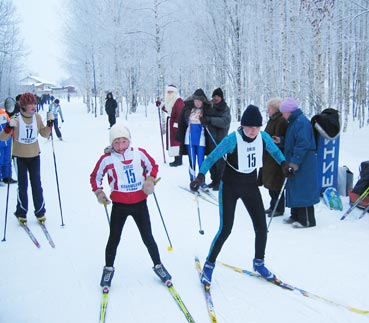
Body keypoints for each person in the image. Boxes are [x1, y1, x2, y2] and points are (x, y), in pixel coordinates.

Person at [190, 105, 292, 286]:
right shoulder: (233, 140)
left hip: (250, 186)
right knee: (226, 228)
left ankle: (259, 262)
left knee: (261, 226)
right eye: (249, 127)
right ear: (243, 126)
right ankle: (209, 264)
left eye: (256, 127)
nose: (253, 131)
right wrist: (200, 175)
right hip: (230, 187)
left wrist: (284, 164)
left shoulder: (263, 137)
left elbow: (275, 151)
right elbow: (212, 157)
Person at [90, 123, 171, 288]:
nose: (120, 146)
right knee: (114, 238)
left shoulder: (138, 154)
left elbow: (153, 166)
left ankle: (158, 265)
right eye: (116, 142)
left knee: (147, 236)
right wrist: (99, 192)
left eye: (123, 141)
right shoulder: (107, 159)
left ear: (129, 141)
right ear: (111, 143)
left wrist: (150, 180)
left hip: (140, 203)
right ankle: (108, 268)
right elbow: (95, 176)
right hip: (119, 205)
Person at [0, 93, 54, 225]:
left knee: (37, 184)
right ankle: (21, 212)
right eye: (31, 104)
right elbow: (3, 138)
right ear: (23, 106)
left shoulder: (37, 117)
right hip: (20, 157)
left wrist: (50, 124)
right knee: (22, 186)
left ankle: (40, 212)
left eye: (35, 103)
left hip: (34, 156)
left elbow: (44, 134)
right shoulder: (16, 118)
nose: (34, 106)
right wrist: (8, 127)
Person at [278, 97, 320, 228]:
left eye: (283, 112)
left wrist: (294, 163)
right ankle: (295, 215)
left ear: (289, 111)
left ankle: (307, 220)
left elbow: (302, 145)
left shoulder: (301, 122)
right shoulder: (295, 121)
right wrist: (281, 140)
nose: (282, 115)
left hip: (304, 163)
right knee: (295, 188)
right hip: (297, 161)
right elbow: (293, 142)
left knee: (303, 190)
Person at [259, 98, 288, 216]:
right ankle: (273, 205)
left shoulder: (281, 121)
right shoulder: (273, 119)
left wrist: (274, 141)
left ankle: (279, 208)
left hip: (276, 157)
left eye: (269, 108)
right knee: (271, 184)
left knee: (276, 183)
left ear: (274, 109)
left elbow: (281, 138)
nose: (268, 110)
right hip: (268, 156)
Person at [176, 88, 211, 182]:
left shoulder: (206, 110)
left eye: (200, 101)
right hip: (190, 138)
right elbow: (182, 122)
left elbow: (209, 123)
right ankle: (192, 179)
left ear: (203, 101)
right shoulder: (188, 109)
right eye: (196, 101)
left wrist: (205, 121)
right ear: (193, 101)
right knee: (192, 161)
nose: (198, 103)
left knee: (201, 161)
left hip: (201, 139)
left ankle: (201, 180)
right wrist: (186, 117)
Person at [203, 88, 231, 191]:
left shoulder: (225, 108)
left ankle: (219, 182)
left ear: (221, 97)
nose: (216, 98)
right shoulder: (209, 106)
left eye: (218, 96)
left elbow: (225, 121)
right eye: (214, 96)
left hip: (220, 139)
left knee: (220, 162)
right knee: (211, 160)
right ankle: (213, 180)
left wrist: (210, 120)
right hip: (209, 138)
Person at [157, 85, 185, 167]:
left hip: (176, 125)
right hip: (172, 124)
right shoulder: (172, 101)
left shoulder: (179, 101)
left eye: (171, 92)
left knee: (177, 142)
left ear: (174, 92)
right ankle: (176, 159)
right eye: (168, 92)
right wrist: (161, 105)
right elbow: (169, 110)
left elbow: (180, 114)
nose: (169, 93)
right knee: (173, 141)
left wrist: (177, 124)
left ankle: (178, 160)